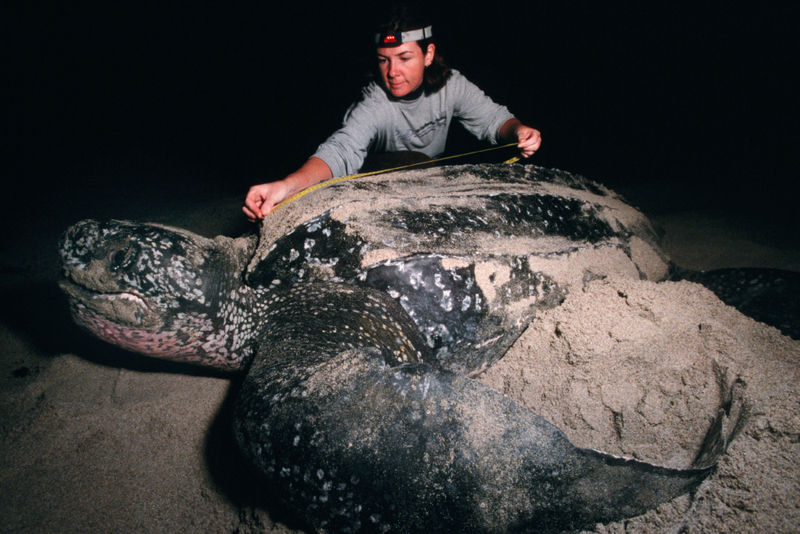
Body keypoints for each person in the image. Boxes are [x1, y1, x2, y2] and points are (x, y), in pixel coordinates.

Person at [243, 8, 541, 221]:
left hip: (428, 186)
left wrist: (518, 131)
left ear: (428, 54)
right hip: (373, 194)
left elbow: (494, 120)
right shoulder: (374, 103)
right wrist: (287, 185)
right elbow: (341, 151)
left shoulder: (452, 85)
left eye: (404, 58)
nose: (392, 72)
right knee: (417, 162)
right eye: (383, 60)